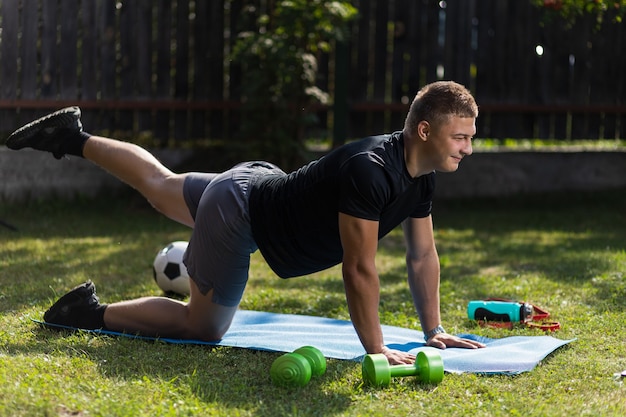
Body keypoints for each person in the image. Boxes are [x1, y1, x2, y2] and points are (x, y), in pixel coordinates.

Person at [5, 81, 485, 365]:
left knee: (158, 182)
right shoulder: (371, 171)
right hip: (240, 214)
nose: (467, 148)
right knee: (202, 327)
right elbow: (359, 269)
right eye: (460, 137)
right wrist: (376, 347)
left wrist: (433, 329)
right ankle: (85, 313)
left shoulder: (419, 176)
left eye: (470, 138)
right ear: (425, 131)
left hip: (252, 186)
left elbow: (421, 254)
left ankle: (71, 135)